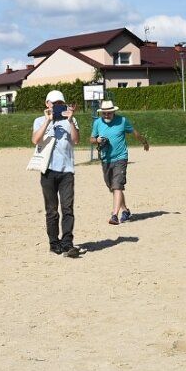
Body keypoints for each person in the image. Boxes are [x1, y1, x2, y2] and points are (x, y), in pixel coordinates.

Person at [31, 90, 80, 257]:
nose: (57, 106)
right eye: (54, 103)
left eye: (60, 103)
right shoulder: (39, 120)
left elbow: (76, 140)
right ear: (47, 104)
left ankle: (67, 243)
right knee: (51, 210)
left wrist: (71, 120)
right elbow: (35, 140)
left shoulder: (70, 120)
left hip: (67, 171)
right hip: (48, 170)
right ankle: (54, 243)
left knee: (67, 208)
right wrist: (48, 121)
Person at [90, 100, 149, 225]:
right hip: (106, 159)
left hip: (120, 158)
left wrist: (144, 142)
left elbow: (135, 133)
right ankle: (126, 211)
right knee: (113, 187)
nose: (107, 115)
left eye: (109, 113)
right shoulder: (97, 123)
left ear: (114, 112)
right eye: (104, 113)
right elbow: (91, 139)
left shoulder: (122, 121)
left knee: (117, 185)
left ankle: (115, 215)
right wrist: (97, 140)